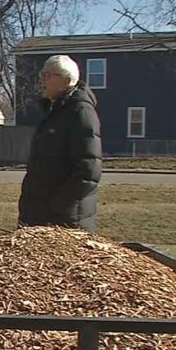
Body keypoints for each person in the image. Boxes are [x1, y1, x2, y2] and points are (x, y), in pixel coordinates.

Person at [18, 54, 102, 232]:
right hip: (41, 216)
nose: (42, 80)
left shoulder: (81, 112)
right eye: (42, 74)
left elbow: (88, 171)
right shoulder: (55, 112)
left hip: (65, 221)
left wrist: (56, 207)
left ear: (67, 80)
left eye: (48, 75)